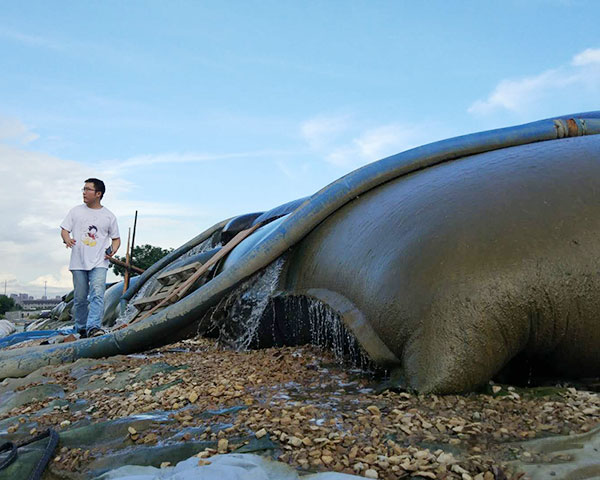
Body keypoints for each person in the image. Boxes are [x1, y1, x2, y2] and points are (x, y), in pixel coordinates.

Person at [60, 178, 121, 337]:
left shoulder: (108, 216)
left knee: (97, 294)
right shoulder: (75, 211)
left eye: (88, 189)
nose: (84, 192)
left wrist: (112, 250)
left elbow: (116, 239)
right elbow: (64, 230)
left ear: (98, 194)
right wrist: (67, 239)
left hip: (100, 261)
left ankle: (93, 327)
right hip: (78, 262)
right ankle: (81, 327)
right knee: (80, 298)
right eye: (83, 189)